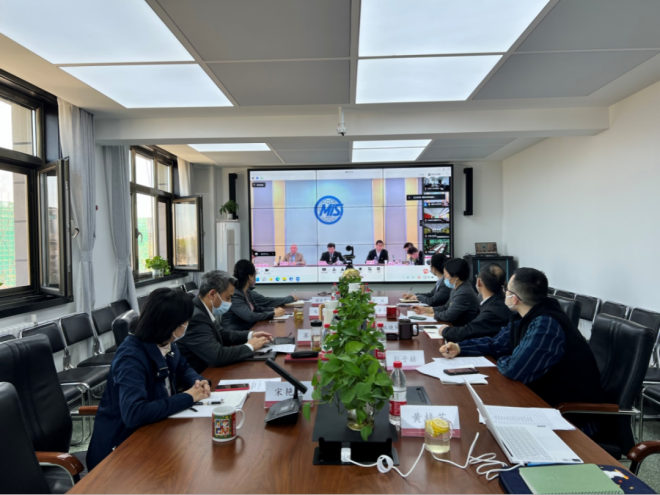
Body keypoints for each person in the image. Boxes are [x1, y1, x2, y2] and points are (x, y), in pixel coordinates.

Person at [440, 268, 603, 408]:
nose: (504, 292)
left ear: (514, 298)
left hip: (569, 413)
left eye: (506, 289)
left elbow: (514, 369)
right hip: (539, 396)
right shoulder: (523, 316)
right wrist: (460, 348)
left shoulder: (546, 324)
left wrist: (507, 357)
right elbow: (497, 344)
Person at [87, 288, 211, 471]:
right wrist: (188, 397)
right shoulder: (131, 357)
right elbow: (135, 413)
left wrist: (198, 381)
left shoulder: (165, 341)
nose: (187, 325)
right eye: (185, 322)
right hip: (120, 453)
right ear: (171, 325)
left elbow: (183, 367)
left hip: (157, 429)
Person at [177, 270, 274, 372]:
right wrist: (250, 346)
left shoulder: (202, 309)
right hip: (202, 375)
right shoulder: (196, 317)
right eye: (228, 298)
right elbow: (217, 356)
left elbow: (223, 334)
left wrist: (251, 335)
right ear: (212, 294)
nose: (230, 302)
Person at [440, 263, 511, 343]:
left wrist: (445, 331)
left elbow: (468, 332)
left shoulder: (493, 311)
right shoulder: (498, 300)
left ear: (479, 282)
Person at [223, 260, 297, 331]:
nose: (256, 277)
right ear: (250, 277)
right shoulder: (235, 294)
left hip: (247, 329)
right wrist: (273, 314)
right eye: (255, 275)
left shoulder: (246, 291)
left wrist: (273, 310)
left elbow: (257, 309)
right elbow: (250, 316)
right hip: (234, 334)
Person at [413, 257, 479, 326]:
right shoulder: (457, 287)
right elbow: (445, 307)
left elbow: (448, 316)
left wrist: (434, 315)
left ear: (456, 277)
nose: (444, 278)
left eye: (445, 275)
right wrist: (426, 309)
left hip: (461, 329)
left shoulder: (463, 293)